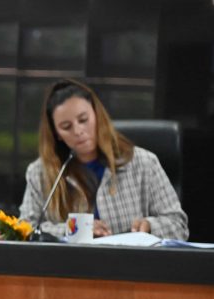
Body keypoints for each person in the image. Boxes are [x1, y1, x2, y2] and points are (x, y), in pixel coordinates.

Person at [19, 78, 188, 240]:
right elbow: (25, 228)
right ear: (57, 134)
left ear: (97, 115)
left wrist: (150, 226)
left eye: (83, 120)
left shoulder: (144, 163)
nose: (78, 131)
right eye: (66, 127)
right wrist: (75, 229)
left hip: (129, 260)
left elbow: (179, 226)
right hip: (71, 260)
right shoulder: (40, 173)